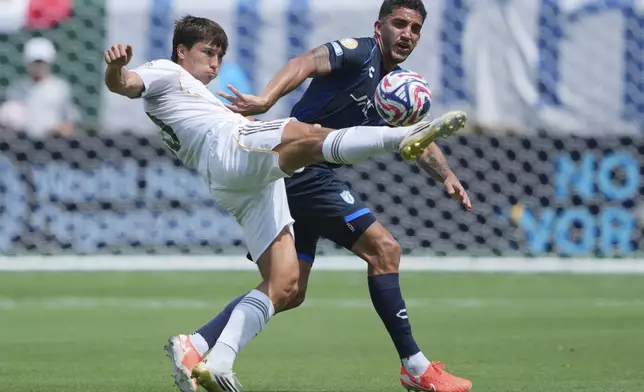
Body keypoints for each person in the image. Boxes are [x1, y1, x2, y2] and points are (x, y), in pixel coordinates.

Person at [103, 13, 467, 392]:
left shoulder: (197, 97)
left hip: (238, 184)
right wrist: (116, 69)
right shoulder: (166, 71)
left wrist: (444, 173)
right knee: (307, 138)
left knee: (285, 284)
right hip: (232, 146)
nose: (214, 63)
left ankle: (209, 354)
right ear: (181, 51)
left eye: (219, 56)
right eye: (207, 53)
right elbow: (127, 84)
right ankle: (400, 138)